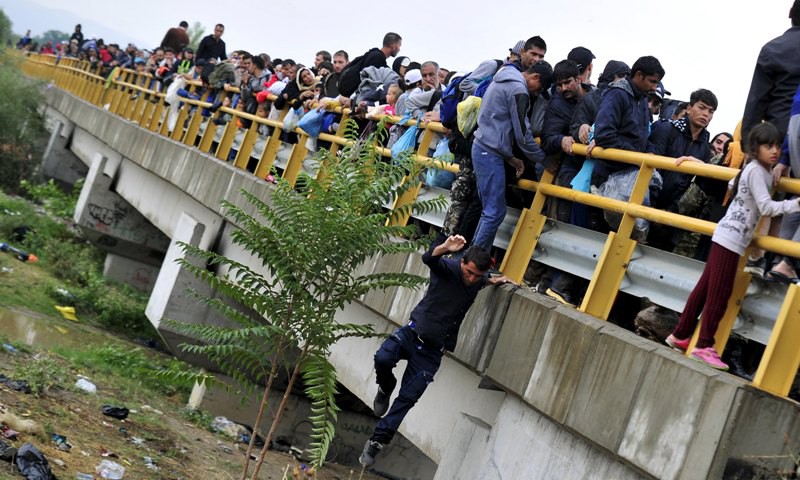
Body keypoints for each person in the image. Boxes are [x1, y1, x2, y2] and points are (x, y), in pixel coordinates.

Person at [359, 235, 515, 467]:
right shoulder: (449, 269)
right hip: (412, 335)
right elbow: (429, 259)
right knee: (382, 358)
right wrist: (444, 247)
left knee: (407, 399)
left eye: (476, 276)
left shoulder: (478, 281)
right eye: (469, 272)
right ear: (462, 263)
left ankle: (376, 442)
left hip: (431, 353)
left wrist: (498, 280)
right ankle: (385, 386)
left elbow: (484, 281)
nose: (471, 279)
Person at [665, 123, 800, 370]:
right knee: (719, 294)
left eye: (778, 146)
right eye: (768, 146)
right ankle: (704, 346)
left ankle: (680, 334)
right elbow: (767, 207)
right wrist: (795, 205)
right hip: (732, 240)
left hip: (727, 235)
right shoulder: (758, 171)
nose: (775, 151)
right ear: (754, 148)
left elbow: (733, 188)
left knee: (705, 289)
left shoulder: (753, 169)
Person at [471, 61, 551, 253]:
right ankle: (472, 261)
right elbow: (522, 134)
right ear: (535, 78)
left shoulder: (503, 77)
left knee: (489, 210)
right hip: (488, 152)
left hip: (484, 148)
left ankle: (471, 257)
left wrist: (511, 159)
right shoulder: (518, 89)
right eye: (539, 88)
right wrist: (543, 159)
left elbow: (497, 124)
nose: (536, 93)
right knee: (494, 212)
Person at [590, 56, 665, 183]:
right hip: (608, 175)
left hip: (629, 175)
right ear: (638, 75)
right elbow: (604, 135)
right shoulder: (616, 94)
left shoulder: (642, 100)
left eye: (656, 83)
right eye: (652, 81)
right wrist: (636, 155)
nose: (654, 87)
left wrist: (650, 152)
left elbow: (642, 137)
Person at [742, 0, 800, 142]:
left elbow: (756, 103)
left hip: (776, 140)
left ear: (790, 14)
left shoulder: (773, 49)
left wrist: (749, 146)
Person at [767, 84, 800, 284]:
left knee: (798, 195)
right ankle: (787, 263)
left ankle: (779, 260)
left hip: (795, 121)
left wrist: (785, 158)